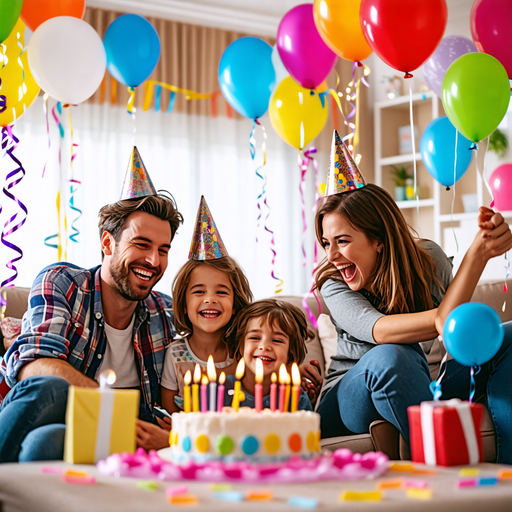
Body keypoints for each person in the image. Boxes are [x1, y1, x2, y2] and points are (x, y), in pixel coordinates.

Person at [314, 131, 512, 464]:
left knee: (508, 336)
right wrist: (476, 257)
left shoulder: (429, 260)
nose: (331, 255)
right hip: (349, 397)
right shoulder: (332, 283)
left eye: (342, 241)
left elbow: (452, 330)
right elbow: (426, 325)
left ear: (378, 239)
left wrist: (486, 243)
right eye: (326, 242)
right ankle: (432, 469)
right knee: (394, 354)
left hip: (419, 383)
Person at [0, 147, 184, 462]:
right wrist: (112, 406)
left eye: (163, 249)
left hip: (127, 433)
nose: (154, 261)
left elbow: (223, 353)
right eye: (141, 244)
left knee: (43, 445)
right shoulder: (63, 283)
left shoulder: (166, 312)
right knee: (49, 392)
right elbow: (33, 366)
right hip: (56, 411)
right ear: (107, 243)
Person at [161, 197, 253, 415]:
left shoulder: (244, 350)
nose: (210, 299)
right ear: (183, 304)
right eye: (199, 291)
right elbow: (169, 412)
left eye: (221, 292)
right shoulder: (175, 355)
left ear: (234, 305)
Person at [223, 299, 314, 411]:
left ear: (291, 351)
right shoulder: (221, 390)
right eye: (255, 338)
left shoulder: (295, 397)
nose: (264, 346)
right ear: (240, 345)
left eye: (277, 340)